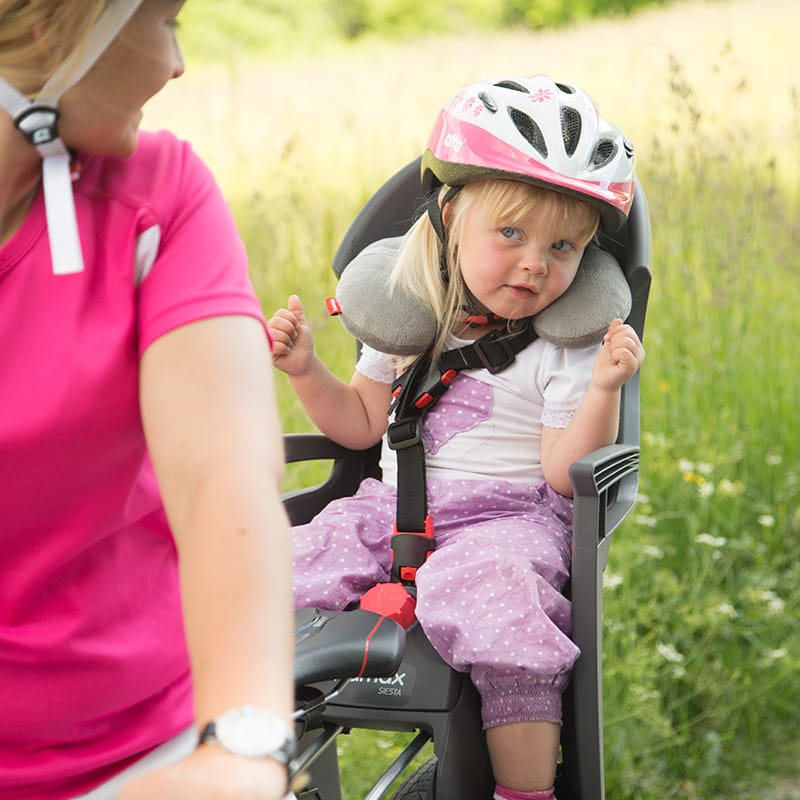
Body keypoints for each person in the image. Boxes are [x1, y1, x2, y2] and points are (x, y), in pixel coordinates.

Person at [268, 75, 645, 800]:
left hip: (506, 520)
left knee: (503, 606)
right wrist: (305, 369)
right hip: (389, 512)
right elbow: (360, 424)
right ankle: (259, 760)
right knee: (266, 572)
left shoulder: (564, 348)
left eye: (563, 247)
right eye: (511, 234)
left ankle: (523, 791)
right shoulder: (409, 323)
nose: (537, 263)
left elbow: (566, 473)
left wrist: (604, 389)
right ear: (449, 218)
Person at [1, 2, 295, 798]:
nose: (176, 65)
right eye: (162, 20)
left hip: (149, 753)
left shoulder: (159, 200)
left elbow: (222, 482)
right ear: (50, 28)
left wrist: (242, 743)